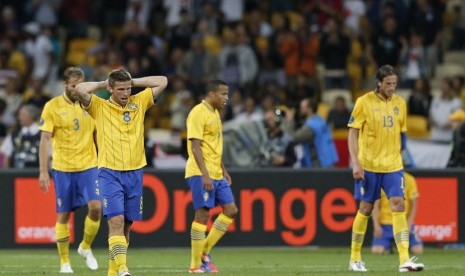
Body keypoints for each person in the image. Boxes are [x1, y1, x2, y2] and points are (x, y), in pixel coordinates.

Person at [75, 69, 168, 276]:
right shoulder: (99, 106)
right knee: (115, 221)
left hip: (135, 172)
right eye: (120, 89)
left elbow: (162, 80)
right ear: (110, 89)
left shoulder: (140, 101)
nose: (125, 93)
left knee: (126, 226)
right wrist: (103, 83)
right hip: (110, 173)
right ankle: (124, 269)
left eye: (128, 89)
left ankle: (112, 271)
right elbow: (80, 88)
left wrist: (133, 81)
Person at [347, 64, 424, 272]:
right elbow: (352, 133)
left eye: (395, 83)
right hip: (369, 164)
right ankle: (354, 258)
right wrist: (355, 162)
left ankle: (404, 259)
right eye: (388, 83)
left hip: (393, 165)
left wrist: (405, 158)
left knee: (399, 204)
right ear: (379, 83)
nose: (392, 87)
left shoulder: (400, 103)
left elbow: (401, 135)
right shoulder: (363, 102)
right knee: (366, 208)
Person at [38, 67, 102, 273]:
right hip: (63, 168)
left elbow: (98, 136)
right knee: (64, 216)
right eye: (74, 86)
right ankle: (64, 261)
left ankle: (85, 247)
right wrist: (43, 171)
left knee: (96, 208)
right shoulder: (52, 106)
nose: (78, 89)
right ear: (65, 84)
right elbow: (45, 139)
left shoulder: (91, 104)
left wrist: (104, 161)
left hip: (89, 166)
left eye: (81, 85)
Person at [185, 80, 238, 272]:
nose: (226, 98)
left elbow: (213, 144)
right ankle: (195, 265)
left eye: (227, 94)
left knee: (231, 210)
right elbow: (195, 146)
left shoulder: (214, 114)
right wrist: (205, 175)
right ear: (211, 93)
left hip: (216, 172)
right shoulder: (198, 113)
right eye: (223, 94)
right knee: (203, 214)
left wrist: (223, 169)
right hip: (201, 172)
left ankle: (204, 250)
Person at [372, 172, 423, 255]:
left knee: (418, 250)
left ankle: (404, 246)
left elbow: (414, 204)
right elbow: (375, 205)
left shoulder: (409, 179)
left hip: (403, 224)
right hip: (386, 224)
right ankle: (390, 247)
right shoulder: (381, 179)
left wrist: (409, 223)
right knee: (376, 250)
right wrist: (376, 225)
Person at [282, 97, 339, 168]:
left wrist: (289, 120)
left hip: (319, 164)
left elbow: (293, 137)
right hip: (327, 161)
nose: (299, 110)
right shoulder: (319, 120)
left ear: (309, 109)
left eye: (302, 108)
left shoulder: (311, 127)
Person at [1, 104, 41, 168]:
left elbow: (48, 156)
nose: (19, 118)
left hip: (36, 174)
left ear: (31, 116)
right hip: (16, 174)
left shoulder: (42, 135)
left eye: (22, 115)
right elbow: (7, 156)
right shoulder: (14, 134)